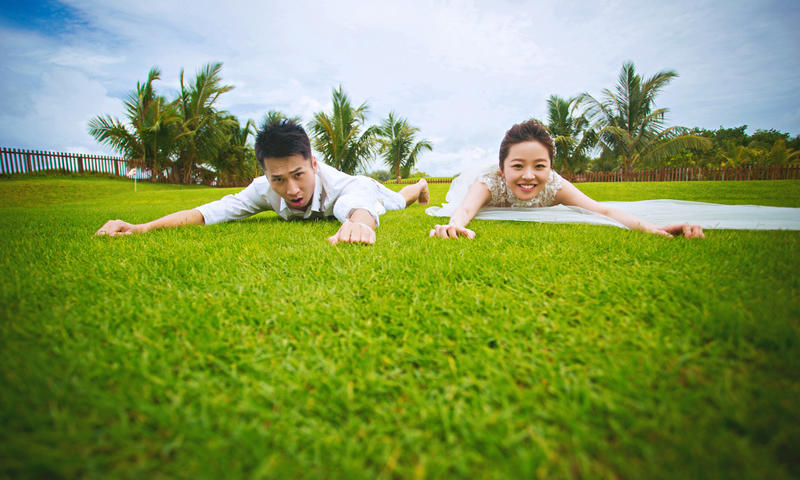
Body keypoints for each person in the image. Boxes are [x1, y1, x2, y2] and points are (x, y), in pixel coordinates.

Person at [95, 118, 429, 245]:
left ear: (313, 164)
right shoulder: (262, 189)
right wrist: (142, 227)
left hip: (366, 188)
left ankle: (421, 185)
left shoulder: (340, 185)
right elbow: (210, 212)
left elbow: (359, 205)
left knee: (399, 200)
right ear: (266, 174)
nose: (292, 190)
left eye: (299, 175)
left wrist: (360, 225)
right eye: (279, 179)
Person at [428, 119, 705, 239]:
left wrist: (653, 229)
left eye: (539, 166)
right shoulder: (490, 182)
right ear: (502, 168)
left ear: (550, 167)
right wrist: (454, 226)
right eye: (517, 165)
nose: (528, 176)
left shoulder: (555, 186)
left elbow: (602, 209)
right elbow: (466, 209)